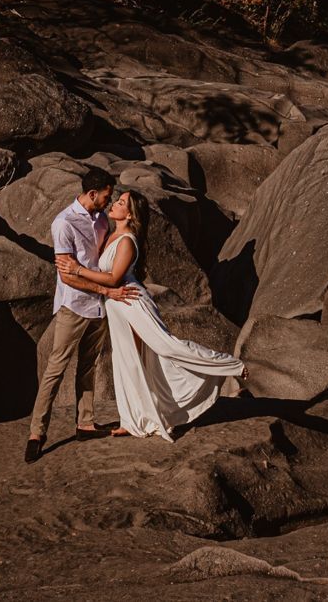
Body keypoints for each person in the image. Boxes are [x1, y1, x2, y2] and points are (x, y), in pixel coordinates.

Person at [57, 188, 244, 440]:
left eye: (121, 202)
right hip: (116, 306)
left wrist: (77, 269)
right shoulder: (112, 234)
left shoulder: (127, 241)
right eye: (116, 200)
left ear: (130, 215)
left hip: (132, 301)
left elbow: (113, 278)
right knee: (128, 360)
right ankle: (132, 419)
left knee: (165, 346)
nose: (114, 204)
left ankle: (228, 364)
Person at [24, 171, 138, 463]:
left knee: (88, 365)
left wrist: (106, 290)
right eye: (106, 195)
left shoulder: (101, 219)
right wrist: (106, 290)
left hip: (100, 305)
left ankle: (85, 423)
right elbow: (68, 275)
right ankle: (36, 433)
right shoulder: (63, 223)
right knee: (55, 368)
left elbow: (96, 262)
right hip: (74, 305)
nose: (109, 200)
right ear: (92, 193)